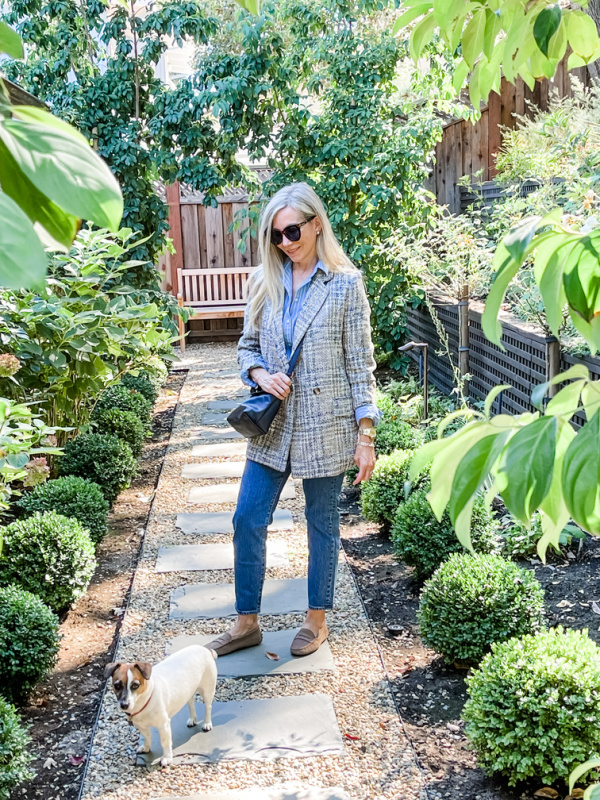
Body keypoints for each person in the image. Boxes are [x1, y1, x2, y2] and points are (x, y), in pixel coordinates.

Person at [207, 182, 380, 658]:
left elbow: (360, 365)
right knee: (247, 517)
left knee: (321, 522)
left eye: (292, 231)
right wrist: (260, 373)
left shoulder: (345, 284)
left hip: (326, 425)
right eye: (275, 236)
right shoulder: (265, 282)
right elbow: (245, 348)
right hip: (273, 426)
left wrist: (366, 434)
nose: (285, 242)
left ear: (315, 223)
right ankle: (246, 623)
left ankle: (316, 619)